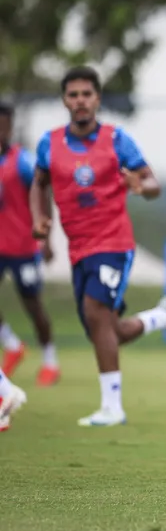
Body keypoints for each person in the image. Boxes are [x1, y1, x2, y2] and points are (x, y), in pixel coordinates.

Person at [29, 66, 166, 427]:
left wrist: (139, 186)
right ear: (64, 100)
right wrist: (40, 219)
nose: (80, 101)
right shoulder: (50, 142)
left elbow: (153, 183)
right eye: (73, 95)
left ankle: (112, 408)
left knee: (95, 314)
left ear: (97, 99)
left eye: (86, 94)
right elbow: (39, 183)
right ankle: (162, 317)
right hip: (78, 247)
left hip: (113, 242)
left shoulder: (117, 140)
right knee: (104, 331)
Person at [1, 101, 60, 386]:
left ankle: (50, 361)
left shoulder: (22, 161)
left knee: (33, 305)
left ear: (10, 126)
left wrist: (46, 237)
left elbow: (43, 193)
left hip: (23, 247)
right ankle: (12, 345)